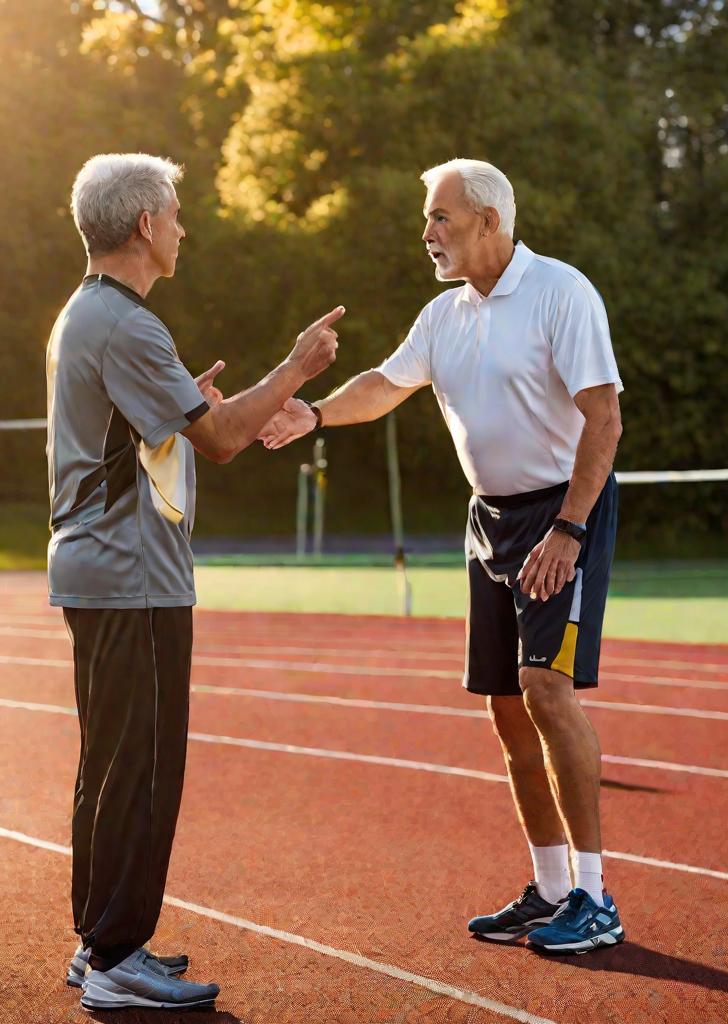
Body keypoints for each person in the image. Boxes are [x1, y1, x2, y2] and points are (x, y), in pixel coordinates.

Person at [259, 158, 625, 955]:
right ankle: (553, 888)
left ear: (490, 220)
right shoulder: (443, 315)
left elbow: (604, 419)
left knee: (545, 690)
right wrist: (314, 414)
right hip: (486, 520)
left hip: (562, 514)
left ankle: (597, 898)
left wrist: (568, 529)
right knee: (503, 703)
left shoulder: (563, 291)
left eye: (441, 219)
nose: (427, 234)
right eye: (428, 219)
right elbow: (387, 385)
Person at [46, 151, 343, 1011]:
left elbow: (167, 430)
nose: (183, 228)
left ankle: (99, 942)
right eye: (174, 214)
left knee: (109, 764)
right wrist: (296, 369)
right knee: (139, 768)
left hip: (105, 568)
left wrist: (194, 402)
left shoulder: (87, 314)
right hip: (132, 576)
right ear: (144, 224)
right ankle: (114, 959)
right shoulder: (128, 323)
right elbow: (217, 439)